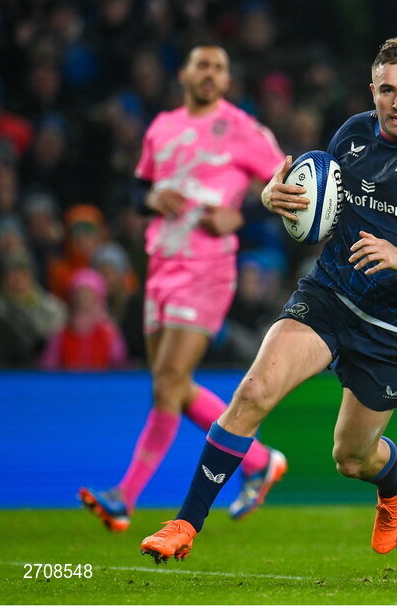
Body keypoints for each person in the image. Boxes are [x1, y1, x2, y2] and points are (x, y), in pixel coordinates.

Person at [138, 37, 397, 562]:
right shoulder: (352, 134)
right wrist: (271, 198)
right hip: (330, 293)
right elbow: (314, 206)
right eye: (388, 90)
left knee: (351, 458)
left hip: (392, 323)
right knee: (254, 391)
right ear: (372, 91)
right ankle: (185, 524)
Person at [79, 45, 288, 532]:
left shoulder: (242, 128)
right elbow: (136, 192)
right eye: (203, 65)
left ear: (228, 78)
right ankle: (259, 462)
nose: (211, 73)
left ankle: (123, 497)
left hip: (208, 269)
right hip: (162, 264)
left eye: (220, 66)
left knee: (169, 381)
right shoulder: (162, 127)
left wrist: (245, 213)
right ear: (184, 74)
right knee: (169, 384)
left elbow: (291, 182)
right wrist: (150, 195)